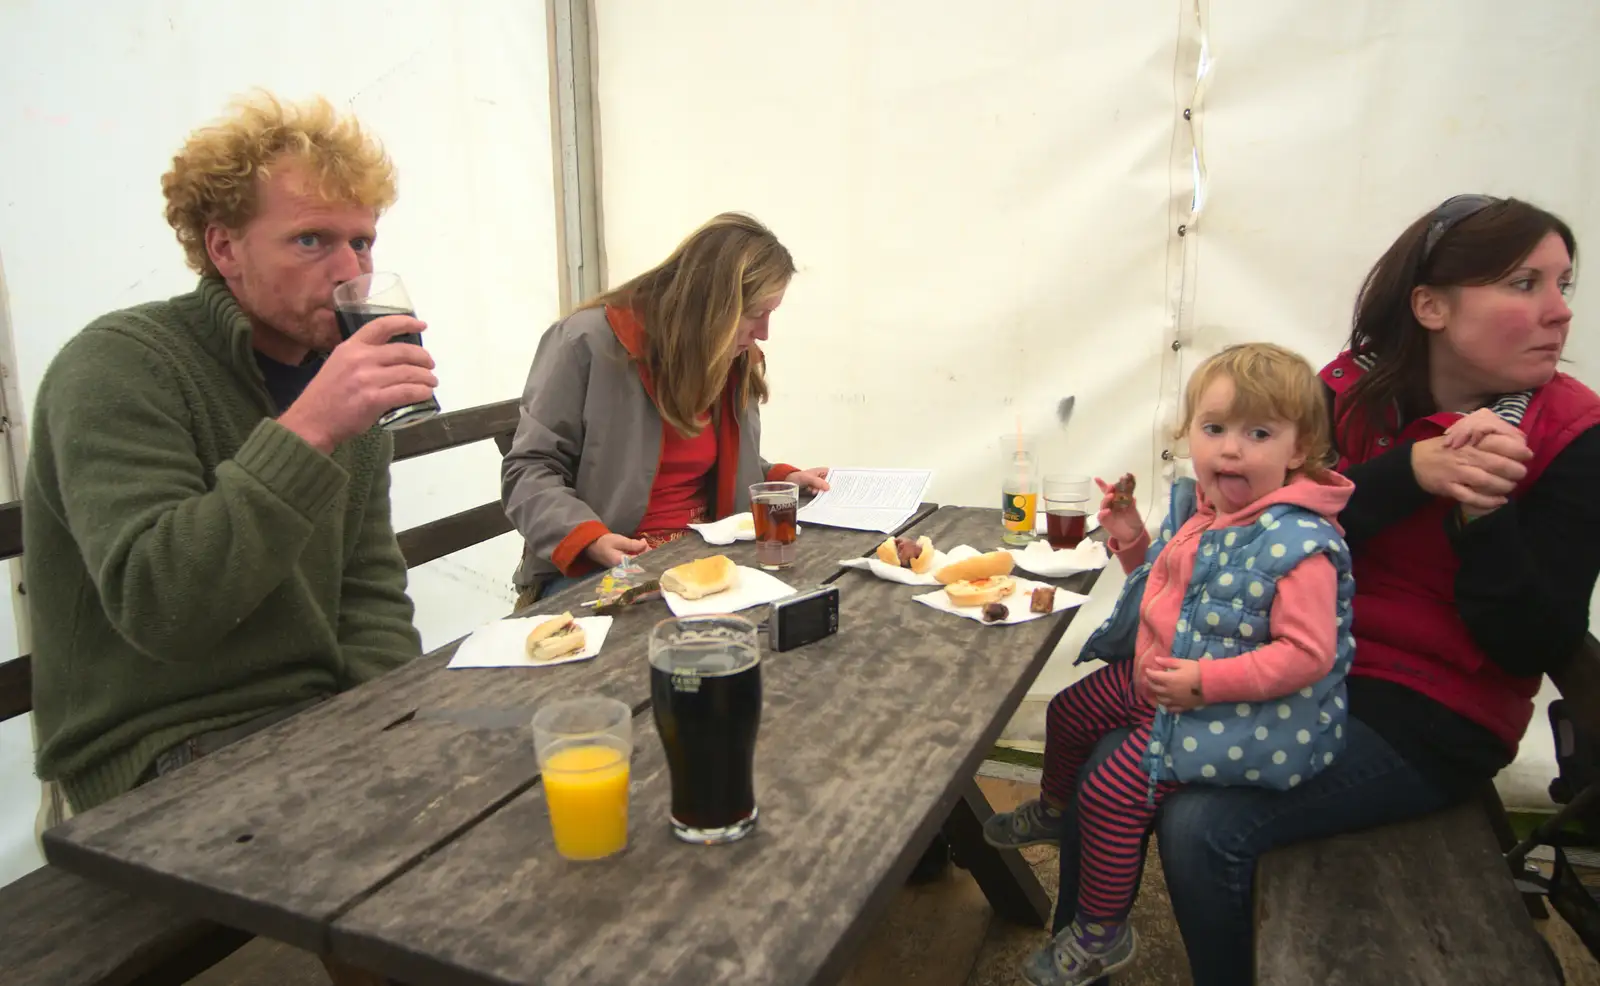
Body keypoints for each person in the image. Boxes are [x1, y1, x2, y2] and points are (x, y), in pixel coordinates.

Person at [1058, 195, 1600, 986]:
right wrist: (1408, 473)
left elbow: (1531, 640)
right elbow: (1261, 525)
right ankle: (1079, 947)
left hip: (1429, 713)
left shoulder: (1570, 436)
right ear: (1431, 306)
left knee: (1204, 825)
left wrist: (1484, 517)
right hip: (1278, 662)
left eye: (1563, 285)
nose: (1558, 313)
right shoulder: (1344, 396)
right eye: (1524, 284)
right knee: (1100, 749)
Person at [25, 91, 431, 818]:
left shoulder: (337, 376)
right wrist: (308, 430)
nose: (348, 270)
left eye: (361, 242)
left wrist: (396, 718)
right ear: (223, 249)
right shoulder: (118, 366)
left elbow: (368, 590)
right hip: (161, 742)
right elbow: (161, 604)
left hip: (311, 718)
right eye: (311, 240)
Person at [984, 344, 1355, 985]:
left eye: (1258, 433)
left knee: (1109, 794)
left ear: (1300, 450)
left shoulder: (1299, 544)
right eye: (1214, 430)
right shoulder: (1209, 511)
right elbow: (1165, 587)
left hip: (1227, 713)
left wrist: (1205, 682)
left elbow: (1309, 655)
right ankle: (1051, 808)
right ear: (1190, 436)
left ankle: (1103, 934)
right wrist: (1130, 536)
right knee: (1069, 710)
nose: (1230, 449)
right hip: (1162, 681)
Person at [501, 212, 828, 607]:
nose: (764, 333)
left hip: (701, 556)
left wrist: (777, 476)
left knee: (807, 610)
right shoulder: (586, 342)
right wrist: (590, 538)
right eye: (755, 314)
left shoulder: (726, 356)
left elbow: (696, 458)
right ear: (712, 306)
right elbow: (529, 469)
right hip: (608, 567)